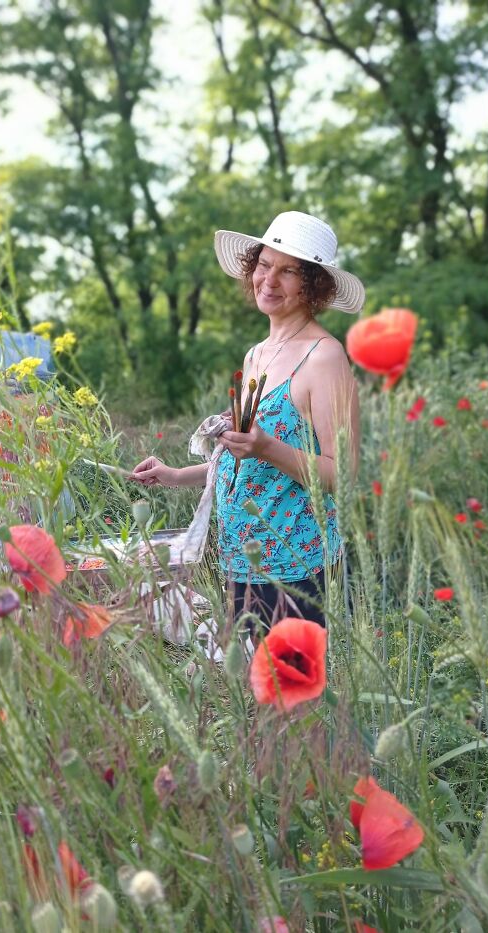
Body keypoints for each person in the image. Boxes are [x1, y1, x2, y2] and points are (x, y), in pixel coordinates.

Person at [131, 211, 363, 632]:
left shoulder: (324, 357)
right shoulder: (256, 354)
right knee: (252, 676)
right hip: (242, 562)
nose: (269, 281)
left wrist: (265, 446)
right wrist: (175, 475)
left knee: (291, 678)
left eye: (288, 272)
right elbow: (248, 466)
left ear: (314, 286)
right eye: (264, 265)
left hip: (297, 570)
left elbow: (340, 474)